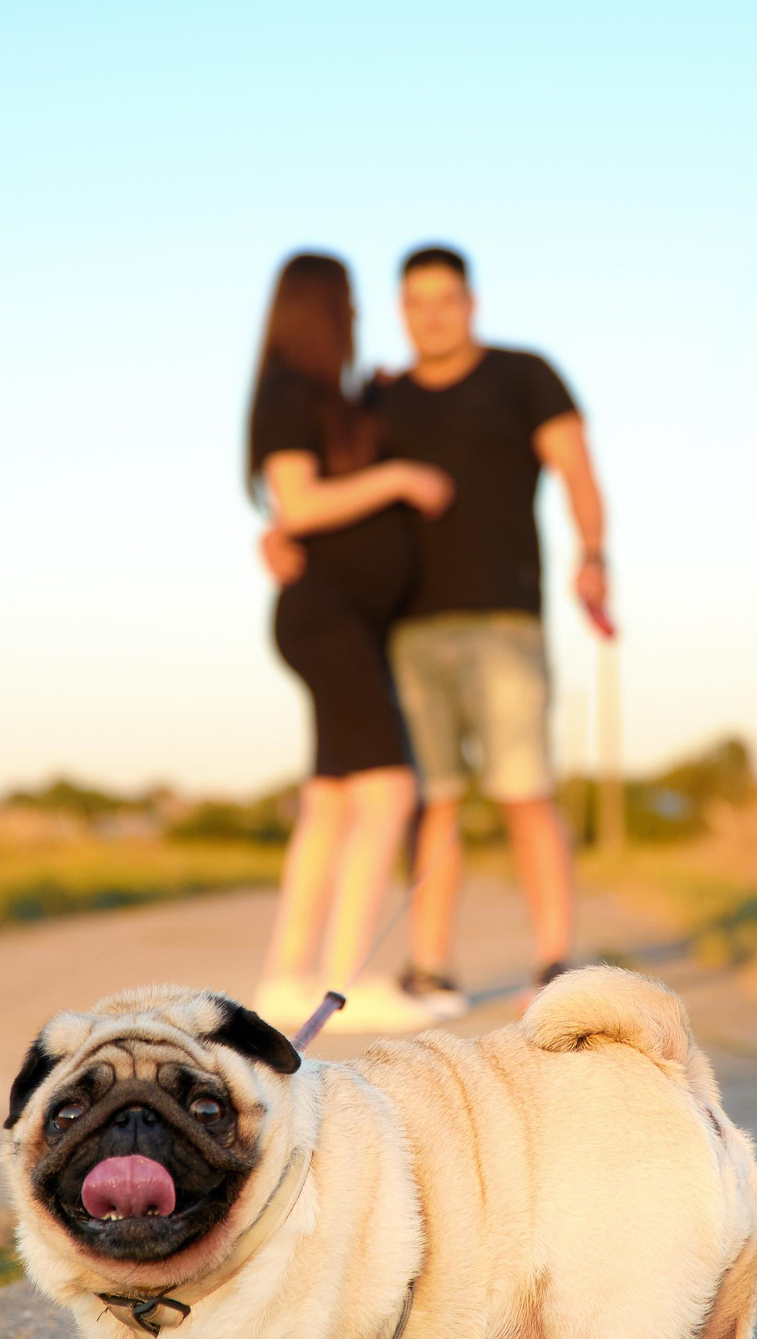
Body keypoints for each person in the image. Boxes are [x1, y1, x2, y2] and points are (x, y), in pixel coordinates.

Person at [372, 244, 608, 1016]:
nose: (433, 314)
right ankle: (430, 967)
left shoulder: (523, 374)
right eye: (417, 302)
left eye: (446, 298)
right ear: (402, 310)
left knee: (523, 790)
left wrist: (593, 555)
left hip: (505, 617)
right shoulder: (382, 399)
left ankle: (555, 961)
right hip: (409, 622)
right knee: (434, 800)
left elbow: (576, 468)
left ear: (470, 302)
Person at [245, 252, 456, 1036]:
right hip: (324, 617)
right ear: (323, 309)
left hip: (340, 617)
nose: (362, 316)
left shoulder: (333, 396)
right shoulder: (288, 391)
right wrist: (399, 478)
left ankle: (285, 976)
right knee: (389, 790)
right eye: (352, 304)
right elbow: (297, 500)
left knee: (332, 801)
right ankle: (345, 984)